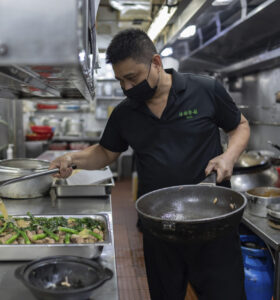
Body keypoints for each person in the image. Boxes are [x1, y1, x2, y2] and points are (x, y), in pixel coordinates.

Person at [50, 29, 250, 300]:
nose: (127, 88)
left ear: (156, 63)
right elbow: (106, 152)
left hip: (213, 223)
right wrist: (72, 159)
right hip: (160, 226)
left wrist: (228, 157)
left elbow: (239, 126)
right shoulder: (126, 112)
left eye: (132, 78)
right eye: (121, 81)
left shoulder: (205, 90)